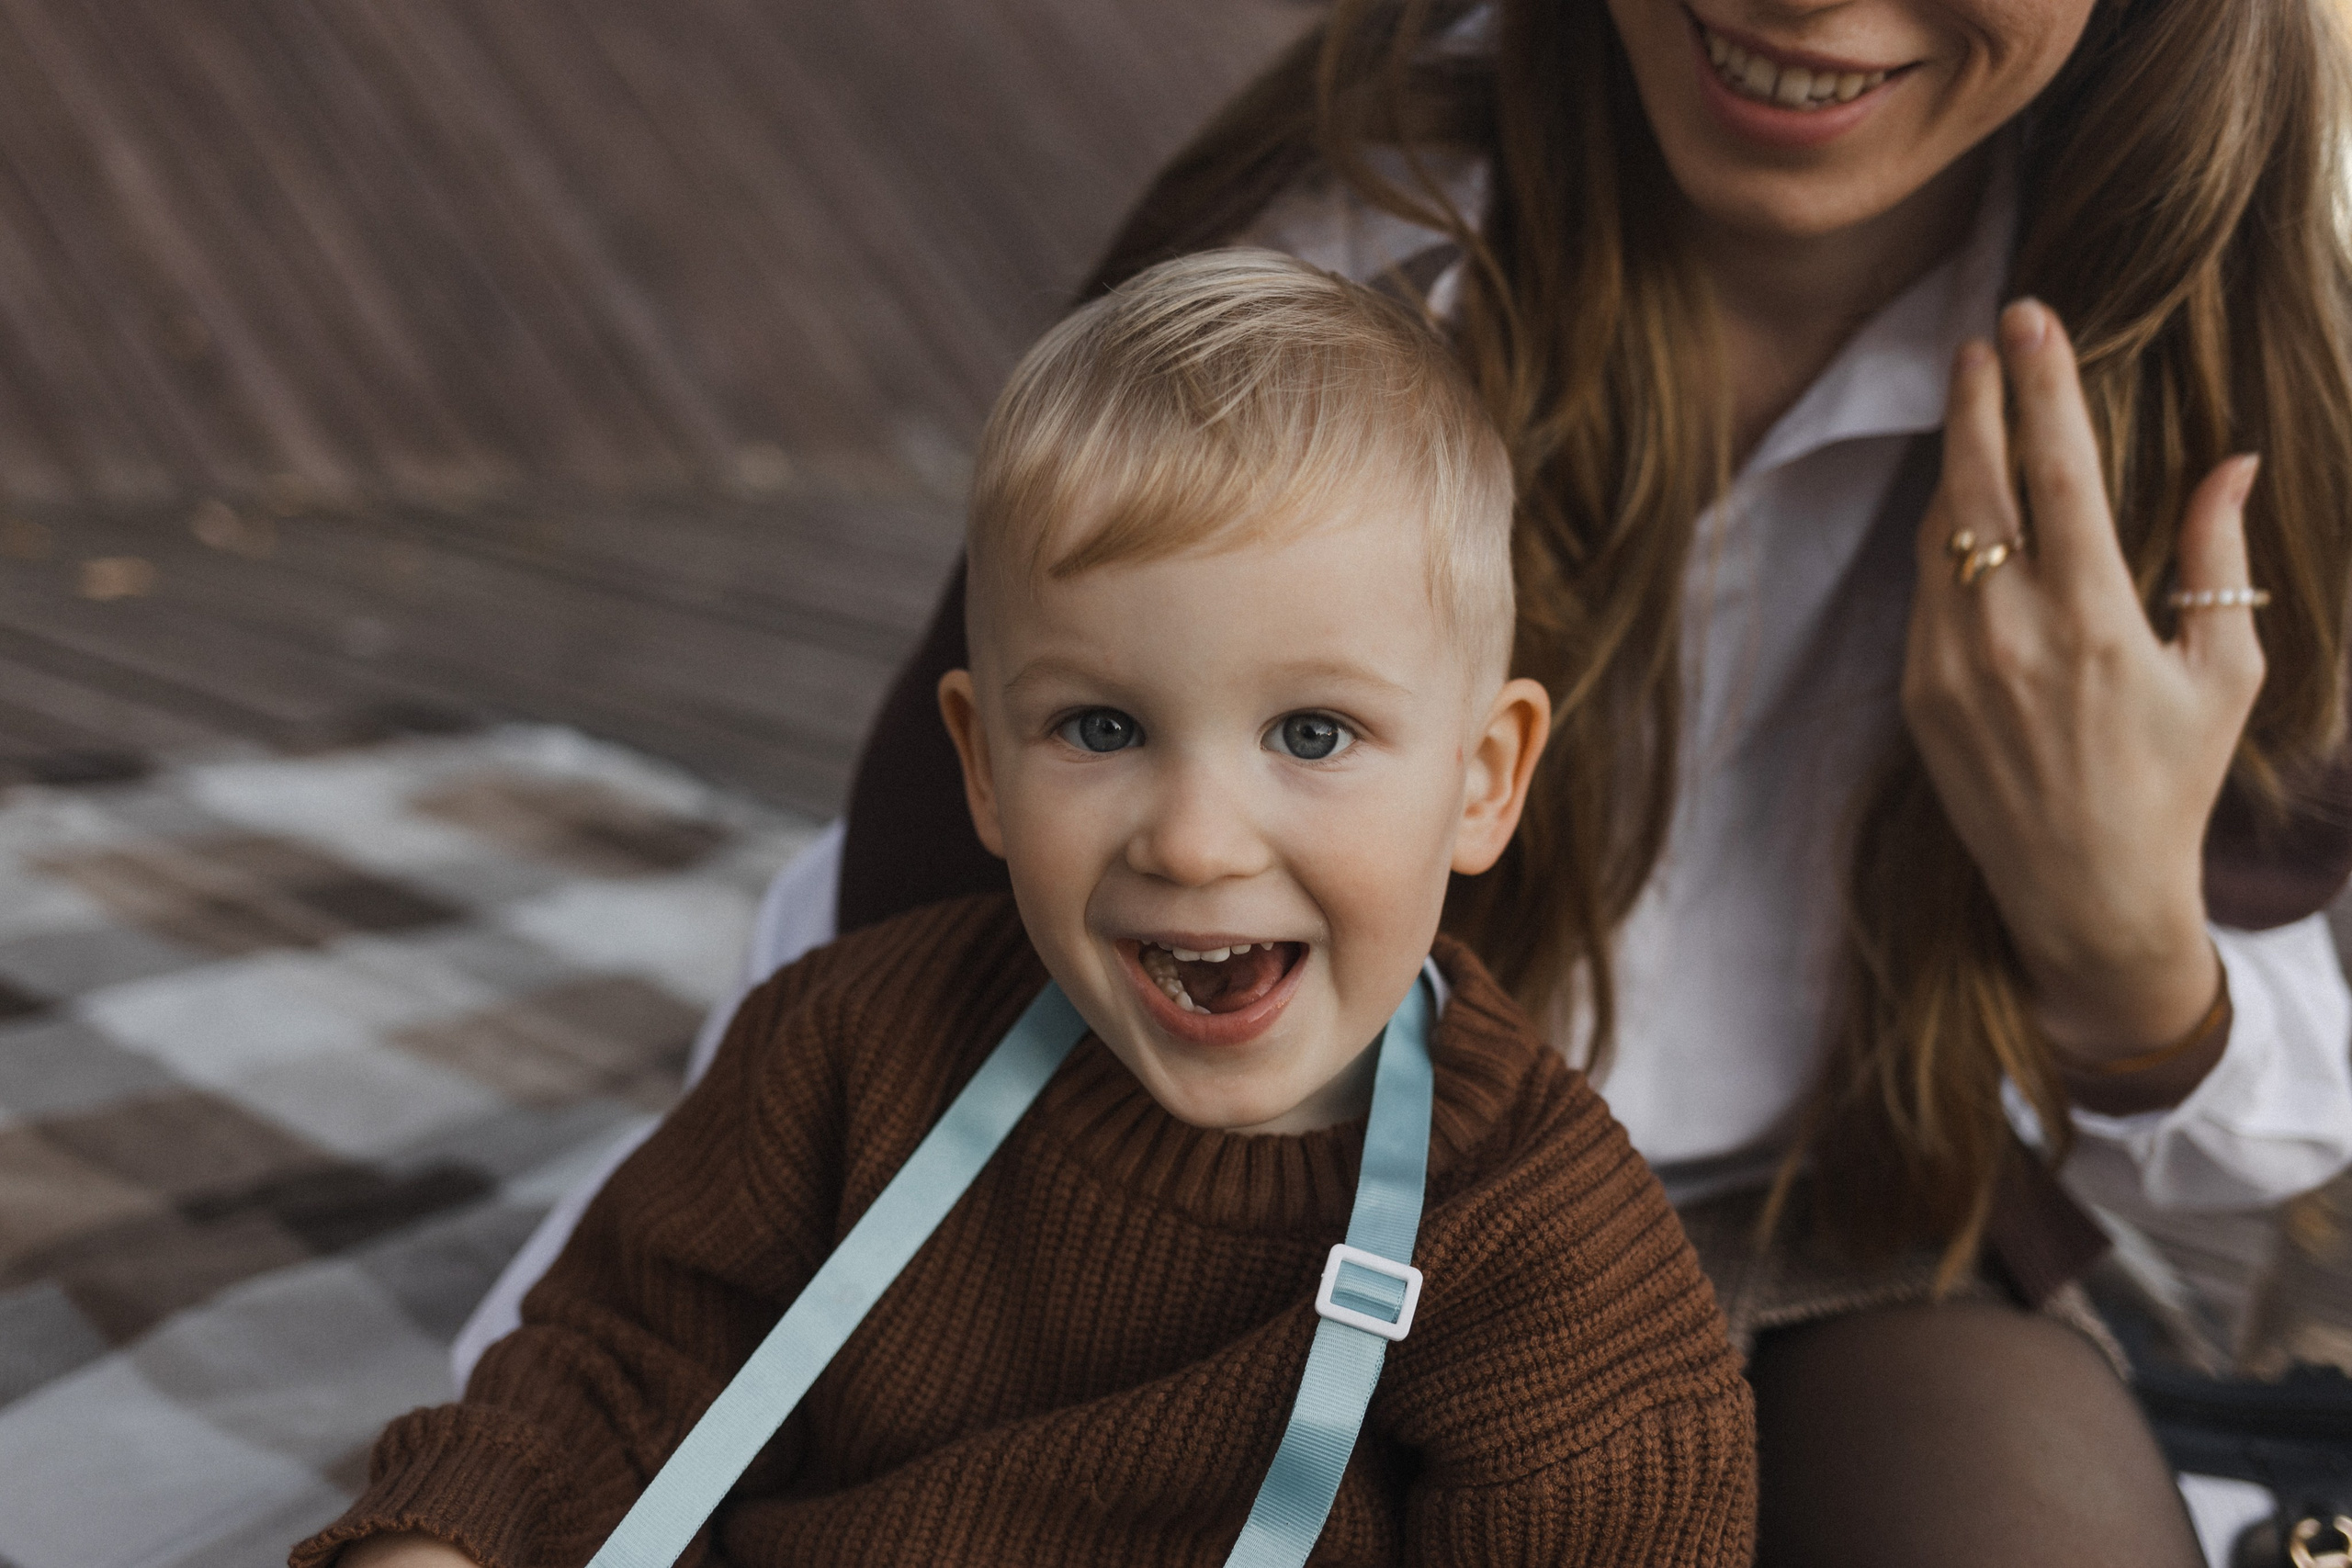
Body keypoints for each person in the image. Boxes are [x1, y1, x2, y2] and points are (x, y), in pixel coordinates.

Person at [793, 2, 2352, 1562]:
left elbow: (2265, 1120)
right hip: (1306, 1185)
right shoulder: (1353, 243)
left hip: (1841, 1214)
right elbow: (971, 887)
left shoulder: (2208, 348)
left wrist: (2116, 932)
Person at [298, 252, 1758, 1568]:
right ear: (983, 766)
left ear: (1483, 779)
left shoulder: (1547, 1265)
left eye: (1312, 734)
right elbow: (608, 1373)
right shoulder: (849, 1050)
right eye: (1102, 730)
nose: (1193, 844)